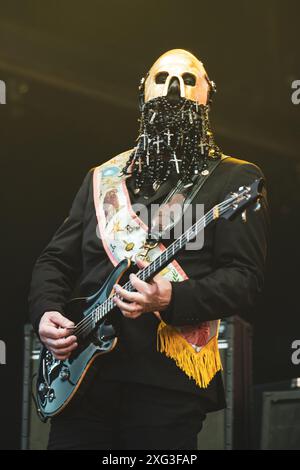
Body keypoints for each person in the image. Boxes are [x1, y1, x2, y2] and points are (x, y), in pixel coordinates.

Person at [29, 49, 269, 450]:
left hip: (165, 386)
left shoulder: (236, 179)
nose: (174, 88)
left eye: (189, 80)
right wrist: (45, 311)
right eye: (162, 78)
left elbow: (244, 279)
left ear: (209, 94)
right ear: (143, 92)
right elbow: (55, 260)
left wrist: (171, 296)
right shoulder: (101, 178)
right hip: (84, 380)